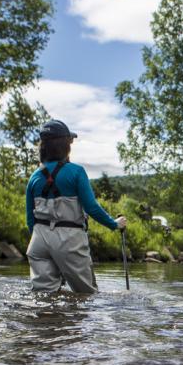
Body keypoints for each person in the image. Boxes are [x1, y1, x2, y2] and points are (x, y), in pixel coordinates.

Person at [25, 119, 127, 293]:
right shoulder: (76, 172)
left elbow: (30, 220)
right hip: (69, 240)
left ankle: (44, 320)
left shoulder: (34, 177)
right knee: (87, 295)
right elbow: (91, 207)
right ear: (66, 145)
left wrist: (47, 243)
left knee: (44, 296)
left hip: (38, 242)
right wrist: (114, 223)